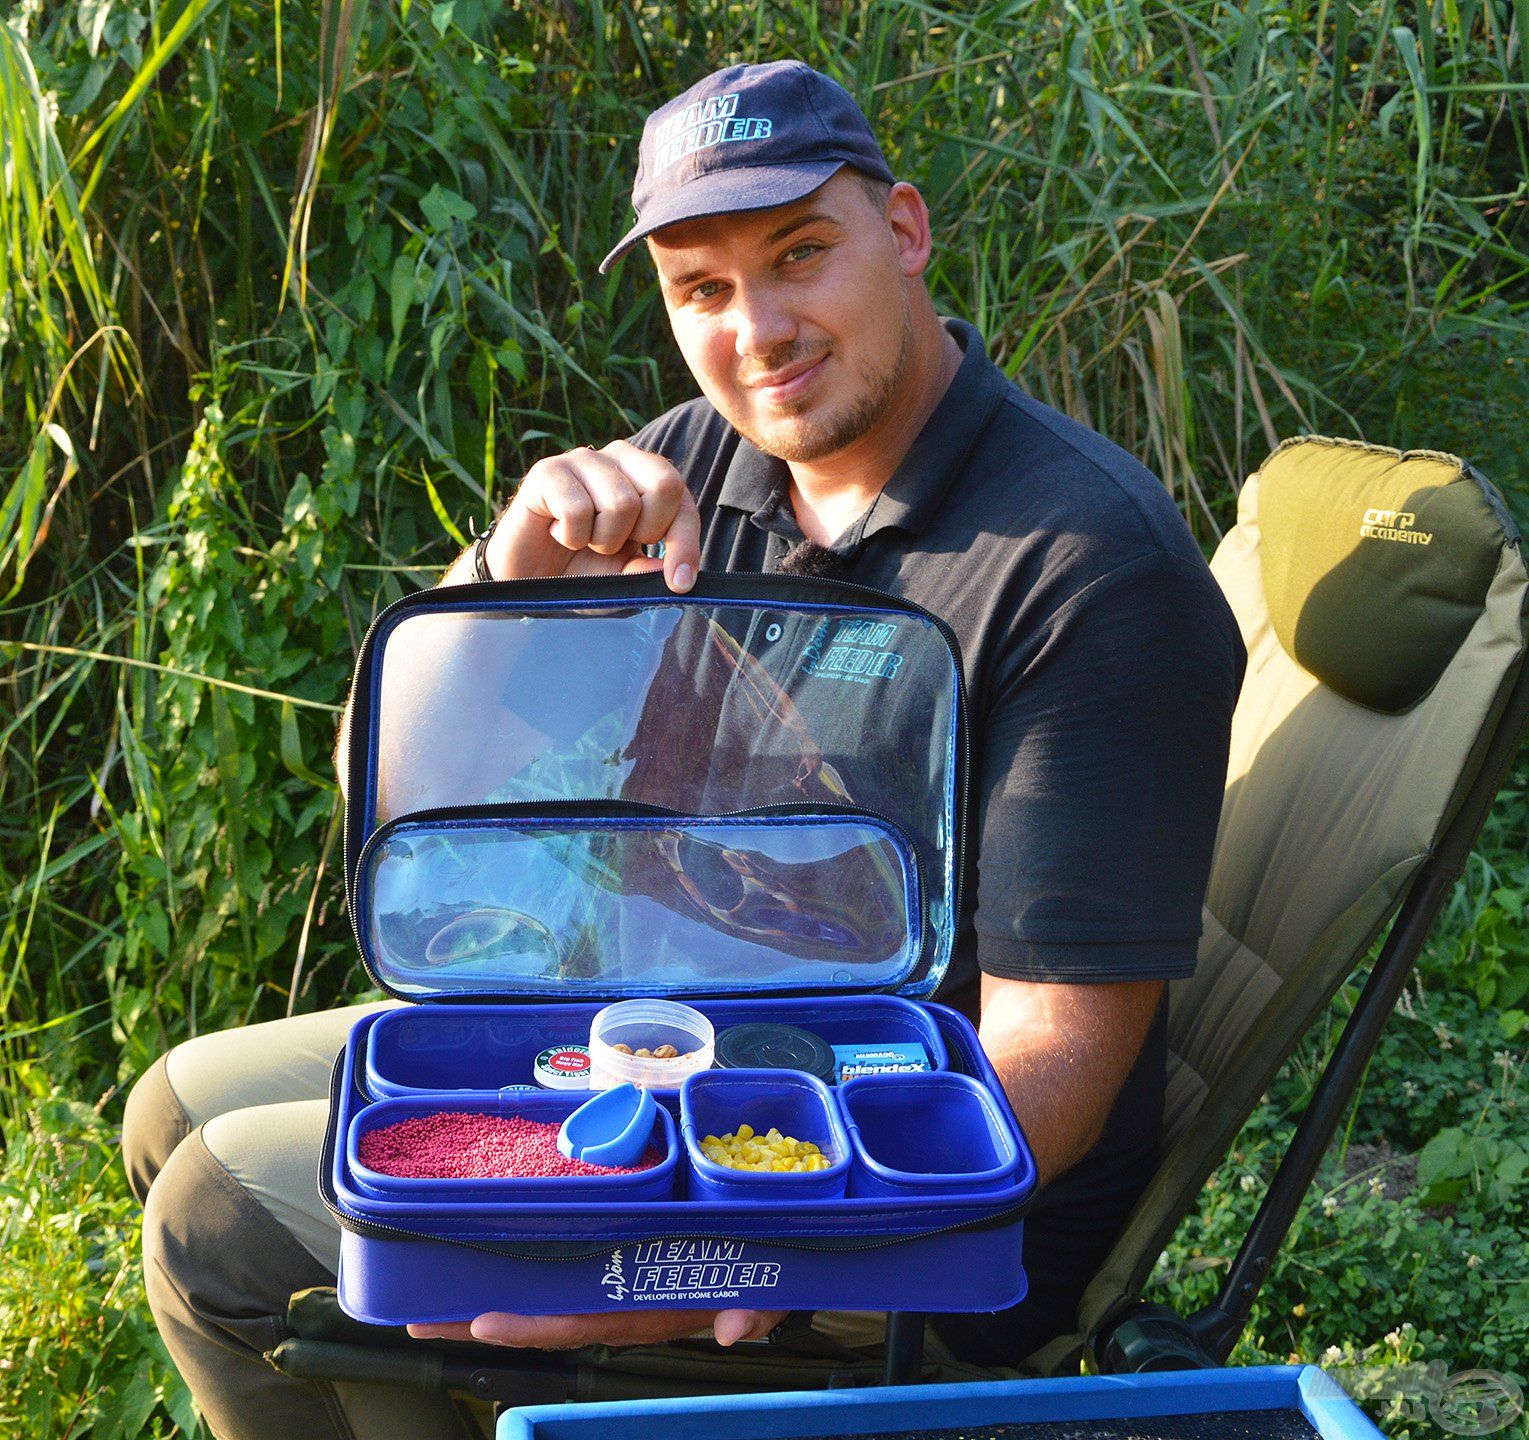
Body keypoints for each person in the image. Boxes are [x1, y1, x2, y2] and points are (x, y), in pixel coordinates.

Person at [123, 60, 1245, 1440]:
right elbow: (393, 787)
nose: (756, 331)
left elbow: (1053, 1053)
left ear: (902, 230)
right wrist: (506, 582)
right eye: (699, 289)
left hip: (888, 1188)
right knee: (168, 1107)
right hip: (660, 1035)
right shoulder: (702, 469)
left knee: (216, 1216)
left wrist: (704, 1253)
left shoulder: (1084, 570)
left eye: (799, 255)